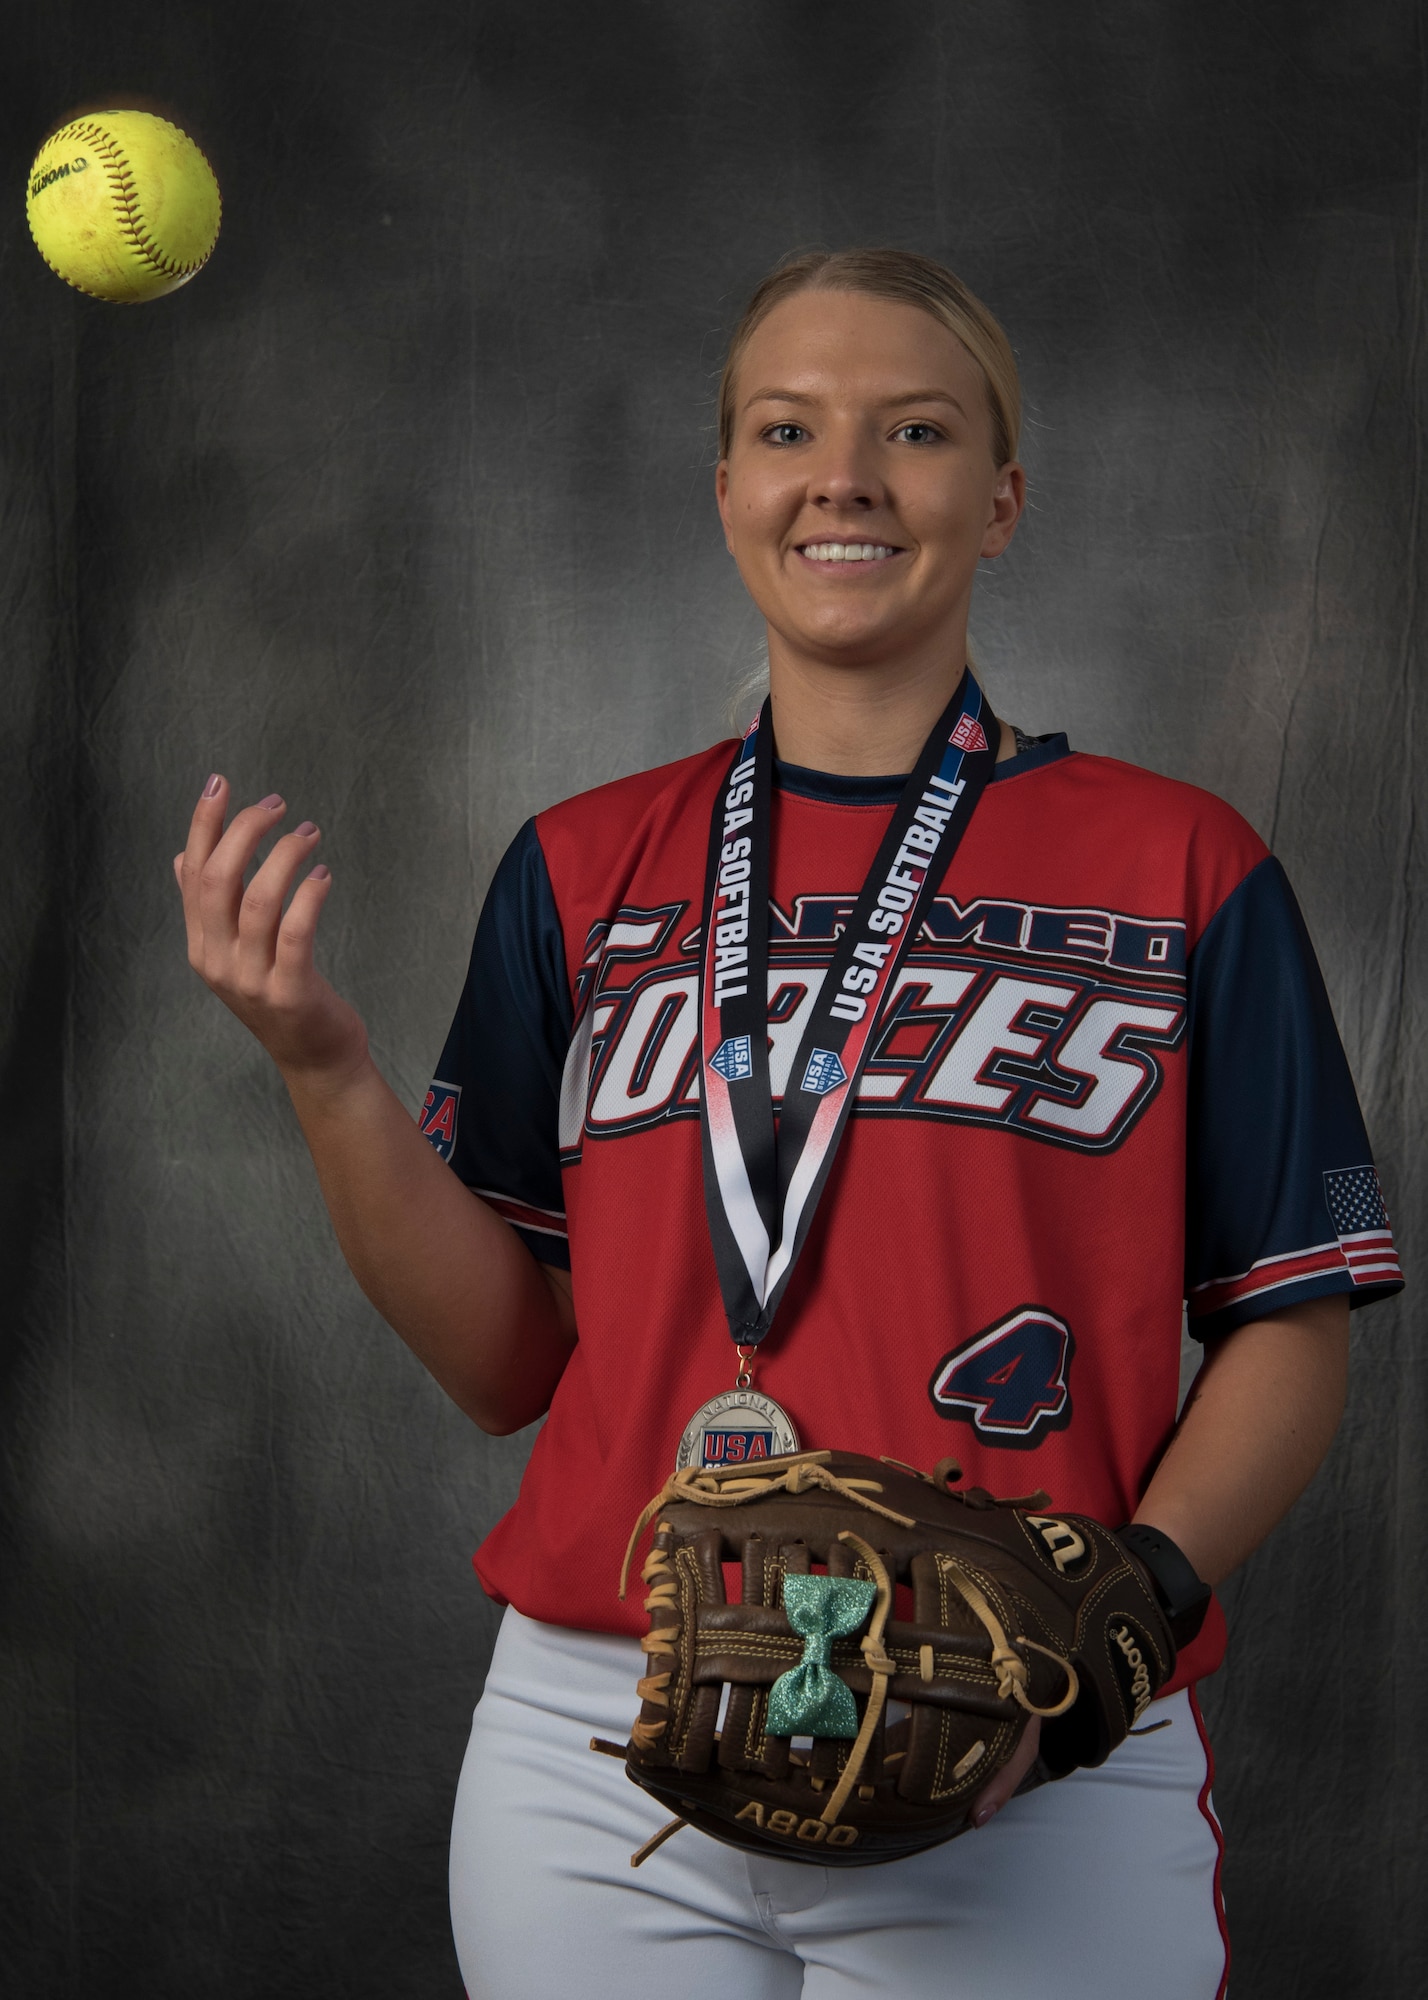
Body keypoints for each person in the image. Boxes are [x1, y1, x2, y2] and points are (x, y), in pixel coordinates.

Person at [174, 249, 1402, 1999]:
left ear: (1003, 497)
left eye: (915, 429)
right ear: (731, 490)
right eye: (786, 428)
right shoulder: (585, 868)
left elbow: (1289, 1322)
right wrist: (320, 1069)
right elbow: (504, 1362)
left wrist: (1112, 1626)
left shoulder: (1183, 867)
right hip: (605, 1738)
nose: (846, 475)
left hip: (1014, 1718)